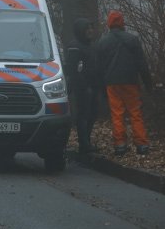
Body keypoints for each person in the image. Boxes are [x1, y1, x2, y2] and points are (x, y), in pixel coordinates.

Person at [94, 10, 154, 155]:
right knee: (135, 112)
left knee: (117, 113)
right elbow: (142, 63)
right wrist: (148, 83)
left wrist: (101, 86)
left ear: (109, 24)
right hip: (130, 81)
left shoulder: (102, 42)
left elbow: (99, 67)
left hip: (112, 83)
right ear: (122, 23)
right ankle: (142, 144)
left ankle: (120, 144)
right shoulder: (132, 40)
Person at [64, 18, 101, 155]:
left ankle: (86, 141)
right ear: (81, 31)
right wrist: (84, 86)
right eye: (87, 29)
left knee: (92, 113)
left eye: (91, 28)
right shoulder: (75, 47)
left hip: (93, 85)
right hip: (82, 87)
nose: (90, 31)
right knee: (84, 114)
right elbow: (72, 70)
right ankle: (84, 144)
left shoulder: (91, 45)